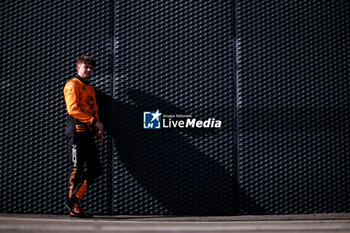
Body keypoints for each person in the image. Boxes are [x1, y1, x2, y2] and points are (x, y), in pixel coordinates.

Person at [63, 55, 104, 218]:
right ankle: (74, 206)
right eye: (85, 67)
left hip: (87, 131)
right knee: (76, 168)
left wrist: (96, 130)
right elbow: (72, 109)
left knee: (95, 169)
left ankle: (73, 200)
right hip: (75, 130)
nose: (89, 70)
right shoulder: (72, 85)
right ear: (77, 68)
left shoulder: (90, 89)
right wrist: (95, 121)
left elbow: (92, 110)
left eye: (91, 68)